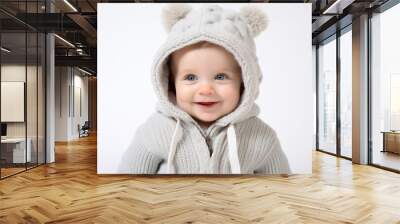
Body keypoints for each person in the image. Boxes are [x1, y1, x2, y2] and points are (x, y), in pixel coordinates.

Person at [119, 4, 291, 174]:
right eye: (191, 77)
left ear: (245, 82)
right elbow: (126, 183)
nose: (206, 90)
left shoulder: (262, 137)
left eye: (220, 77)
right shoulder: (155, 131)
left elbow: (282, 191)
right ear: (171, 83)